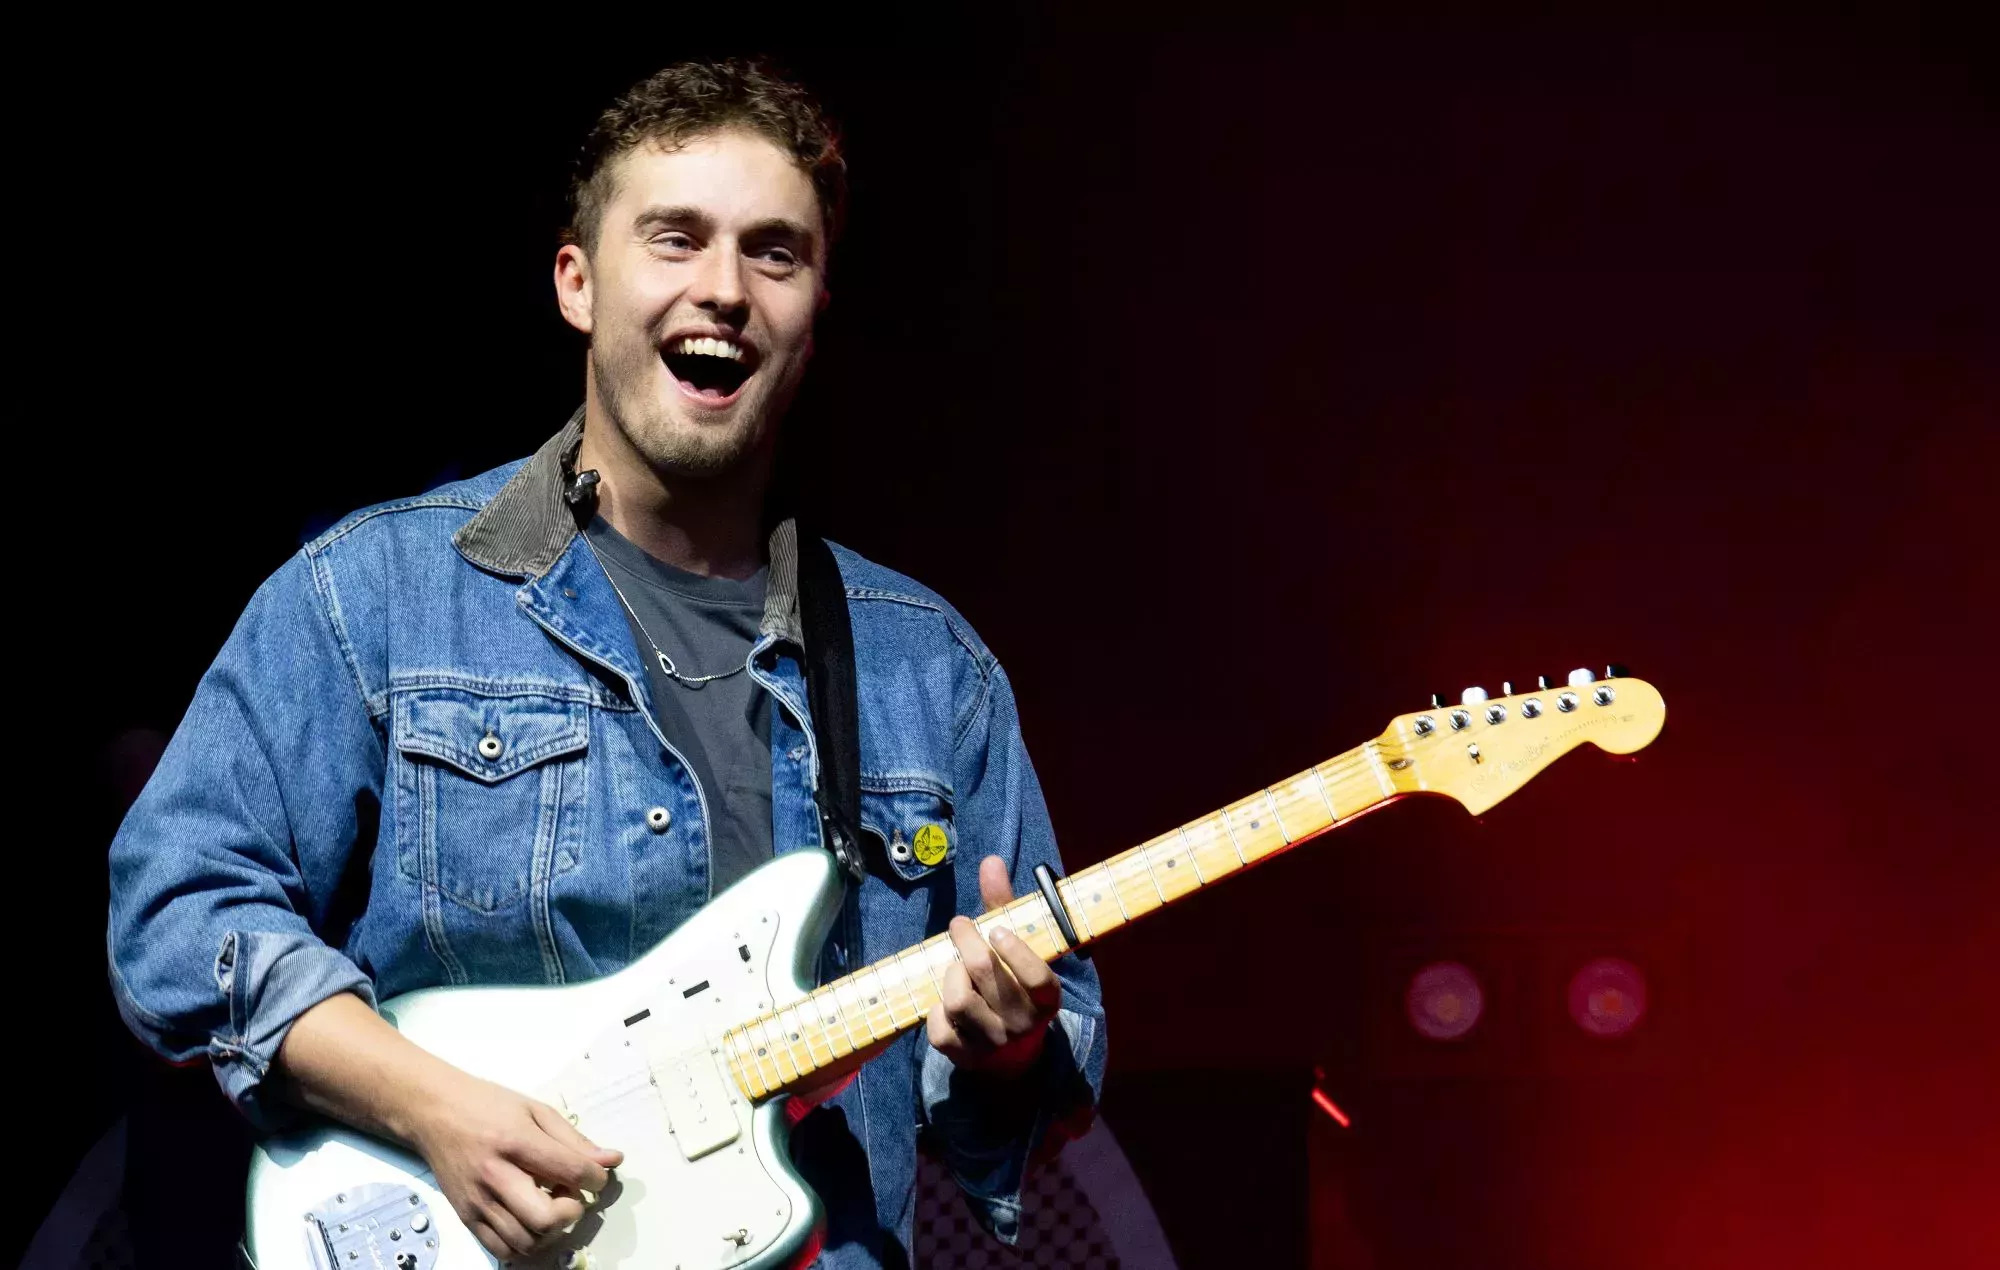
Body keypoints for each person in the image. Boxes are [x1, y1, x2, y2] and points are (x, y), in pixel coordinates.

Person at [106, 58, 1105, 1268]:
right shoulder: (375, 591)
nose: (724, 289)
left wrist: (1000, 1050)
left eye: (774, 253)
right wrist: (430, 1104)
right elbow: (178, 902)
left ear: (815, 305)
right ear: (578, 282)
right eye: (675, 239)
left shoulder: (923, 671)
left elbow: (1039, 1095)